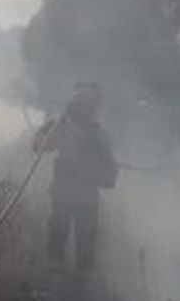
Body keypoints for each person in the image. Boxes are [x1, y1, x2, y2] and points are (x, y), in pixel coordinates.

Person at [33, 82, 117, 272]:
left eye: (86, 102)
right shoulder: (62, 128)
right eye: (79, 100)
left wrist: (91, 171)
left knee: (85, 248)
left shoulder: (101, 136)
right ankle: (55, 286)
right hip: (62, 195)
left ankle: (81, 291)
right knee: (57, 241)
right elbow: (38, 147)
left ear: (94, 107)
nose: (81, 106)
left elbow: (110, 179)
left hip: (86, 200)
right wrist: (46, 128)